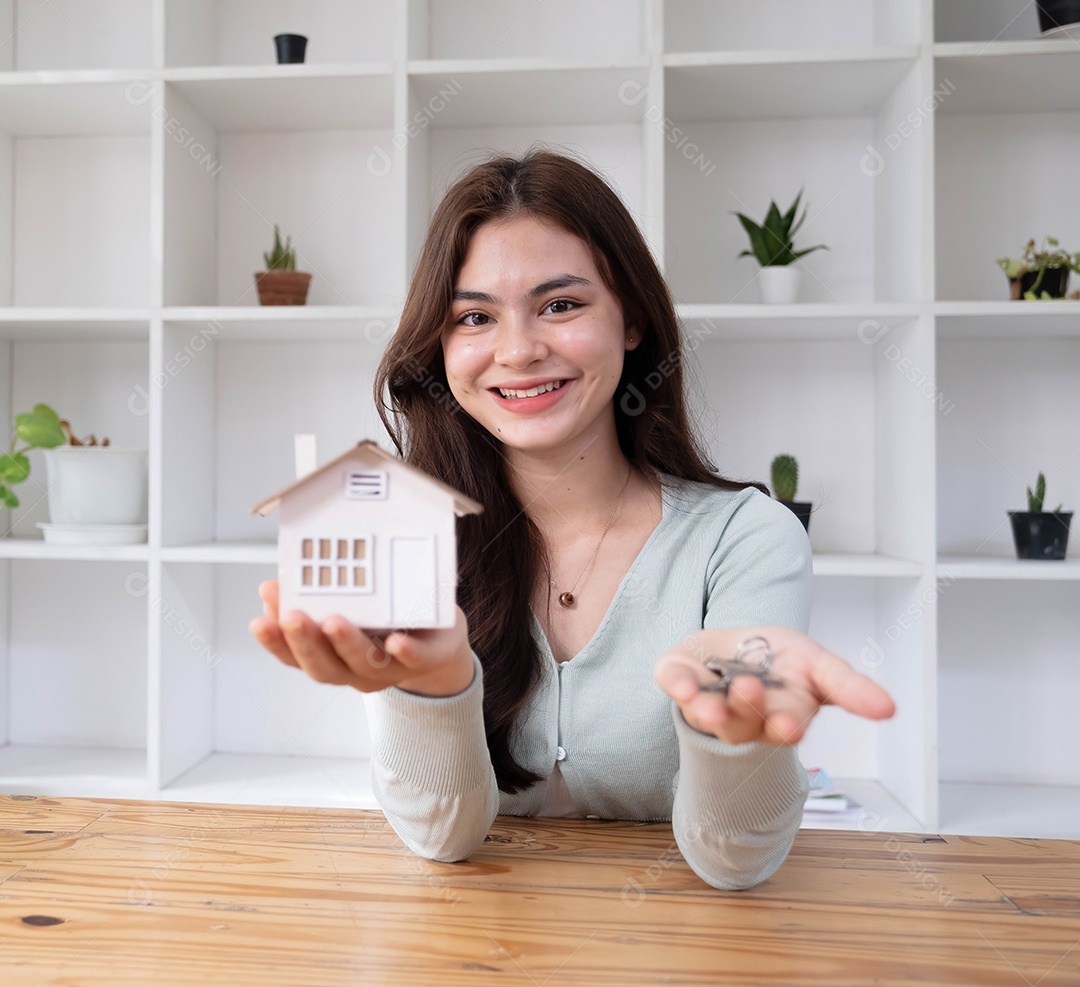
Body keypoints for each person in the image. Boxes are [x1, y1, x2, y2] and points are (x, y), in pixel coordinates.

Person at [249, 147, 895, 891]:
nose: (518, 350)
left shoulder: (746, 540)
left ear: (632, 322)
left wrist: (727, 731)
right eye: (474, 316)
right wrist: (437, 679)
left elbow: (734, 860)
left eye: (560, 304)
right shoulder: (412, 537)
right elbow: (445, 838)